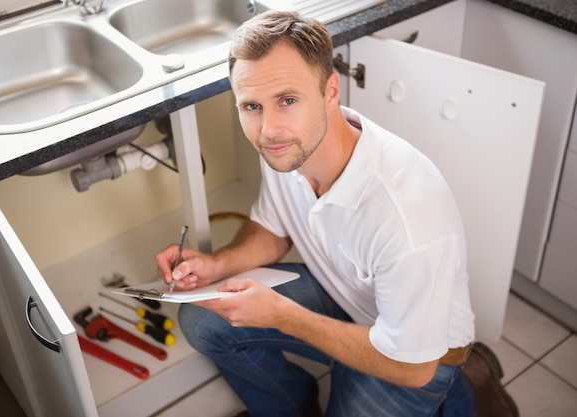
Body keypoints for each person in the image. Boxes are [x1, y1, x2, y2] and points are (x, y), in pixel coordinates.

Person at [155, 10, 518, 417]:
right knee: (203, 322)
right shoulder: (287, 149)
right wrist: (217, 264)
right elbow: (273, 230)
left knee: (423, 376)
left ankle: (469, 387)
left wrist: (283, 316)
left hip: (418, 356)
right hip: (345, 297)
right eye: (251, 106)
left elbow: (413, 368)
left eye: (287, 100)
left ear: (331, 90)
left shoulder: (406, 213)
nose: (268, 128)